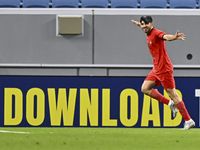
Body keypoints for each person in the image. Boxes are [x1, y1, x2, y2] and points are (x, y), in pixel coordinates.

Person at [131, 16, 195, 130]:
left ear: (152, 23)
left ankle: (188, 120)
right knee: (144, 88)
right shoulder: (147, 31)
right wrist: (138, 25)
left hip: (164, 69)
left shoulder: (156, 33)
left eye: (146, 24)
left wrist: (174, 37)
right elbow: (143, 27)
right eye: (142, 24)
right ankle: (169, 103)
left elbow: (165, 37)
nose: (144, 26)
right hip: (156, 68)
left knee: (173, 94)